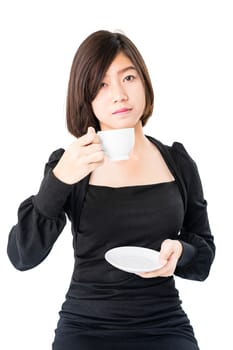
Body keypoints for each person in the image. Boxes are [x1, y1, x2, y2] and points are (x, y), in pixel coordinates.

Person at [7, 30, 215, 350]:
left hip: (164, 322)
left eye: (128, 77)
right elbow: (23, 255)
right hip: (85, 325)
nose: (119, 94)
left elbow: (203, 256)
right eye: (102, 84)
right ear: (85, 96)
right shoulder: (70, 164)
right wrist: (60, 179)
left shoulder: (178, 162)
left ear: (144, 82)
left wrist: (181, 253)